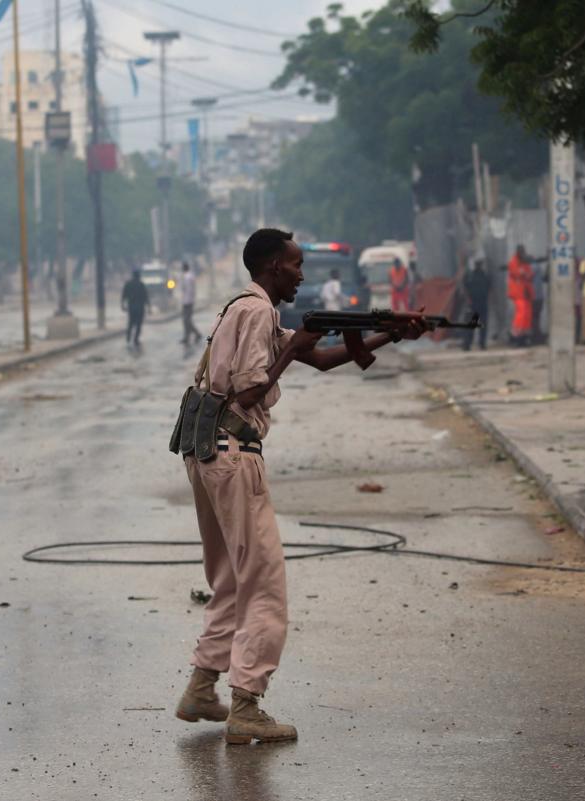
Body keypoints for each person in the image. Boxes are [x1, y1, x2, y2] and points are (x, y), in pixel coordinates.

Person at [174, 228, 428, 744]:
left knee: (229, 578)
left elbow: (328, 358)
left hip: (205, 453)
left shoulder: (242, 308)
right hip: (232, 455)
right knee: (263, 582)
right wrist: (295, 350)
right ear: (272, 267)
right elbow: (251, 389)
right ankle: (246, 704)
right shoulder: (257, 311)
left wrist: (391, 333)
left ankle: (203, 685)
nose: (302, 274)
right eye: (295, 265)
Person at [507, 244, 536, 346]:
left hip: (527, 292)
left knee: (528, 313)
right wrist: (524, 272)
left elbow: (530, 274)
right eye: (521, 252)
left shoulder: (525, 262)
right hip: (518, 292)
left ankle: (525, 334)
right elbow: (517, 273)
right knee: (521, 311)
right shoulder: (513, 261)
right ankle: (515, 334)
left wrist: (527, 271)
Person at [461, 259, 490, 351]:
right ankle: (467, 344)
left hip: (483, 303)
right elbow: (464, 287)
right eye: (477, 264)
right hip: (472, 303)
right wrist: (467, 299)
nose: (478, 266)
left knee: (483, 324)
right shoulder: (469, 275)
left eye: (480, 264)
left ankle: (482, 344)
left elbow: (489, 288)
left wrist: (487, 299)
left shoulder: (485, 275)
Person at [121, 269, 149, 349]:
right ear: (139, 276)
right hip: (140, 308)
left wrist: (122, 305)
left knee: (130, 323)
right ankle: (136, 339)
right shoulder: (141, 285)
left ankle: (128, 338)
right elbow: (146, 296)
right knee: (139, 325)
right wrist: (148, 307)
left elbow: (123, 296)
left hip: (131, 307)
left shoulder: (128, 284)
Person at [180, 262, 202, 345]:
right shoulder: (191, 276)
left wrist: (186, 300)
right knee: (187, 320)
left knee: (186, 320)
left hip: (187, 301)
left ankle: (196, 334)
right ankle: (187, 337)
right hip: (189, 300)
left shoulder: (187, 277)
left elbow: (188, 290)